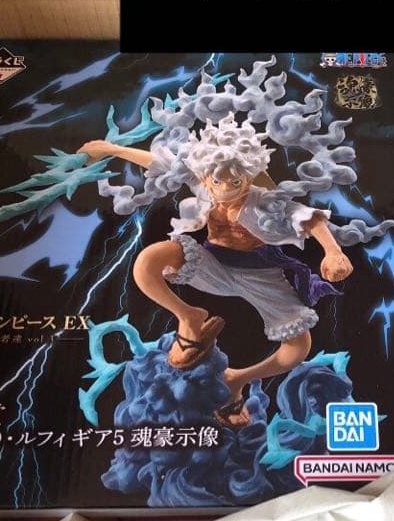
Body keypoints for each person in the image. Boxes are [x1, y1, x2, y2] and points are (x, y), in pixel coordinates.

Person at [79, 114, 353, 428]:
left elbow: (310, 217)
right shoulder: (203, 179)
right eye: (216, 182)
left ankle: (237, 379)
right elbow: (161, 164)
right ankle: (188, 317)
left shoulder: (266, 201)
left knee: (298, 347)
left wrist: (334, 251)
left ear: (249, 176)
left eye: (235, 183)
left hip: (260, 274)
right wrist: (110, 149)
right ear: (206, 174)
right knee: (147, 261)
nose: (223, 190)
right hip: (212, 264)